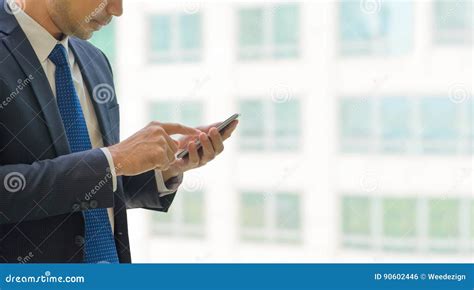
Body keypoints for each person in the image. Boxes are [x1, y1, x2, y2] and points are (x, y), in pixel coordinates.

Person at [0, 0, 238, 263]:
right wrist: (113, 159)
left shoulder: (94, 60)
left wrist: (164, 168)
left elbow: (93, 185)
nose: (117, 9)